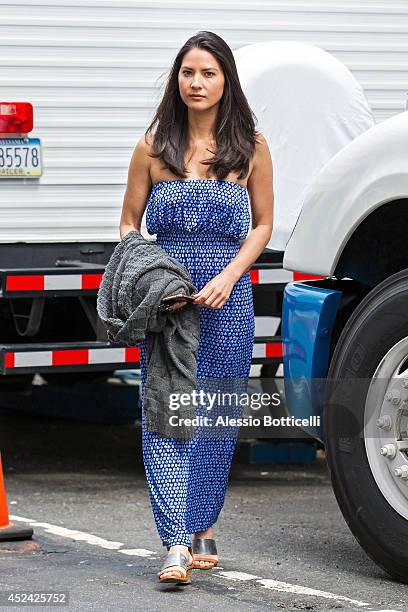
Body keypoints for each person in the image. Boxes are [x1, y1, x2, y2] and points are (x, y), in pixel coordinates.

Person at [119, 30, 274, 584]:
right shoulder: (153, 146)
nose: (197, 82)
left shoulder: (250, 147)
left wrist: (231, 277)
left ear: (226, 79)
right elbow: (128, 224)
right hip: (169, 301)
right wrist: (154, 276)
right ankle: (174, 543)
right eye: (188, 72)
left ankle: (202, 521)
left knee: (215, 415)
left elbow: (261, 226)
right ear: (176, 80)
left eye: (208, 72)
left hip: (228, 299)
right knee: (166, 413)